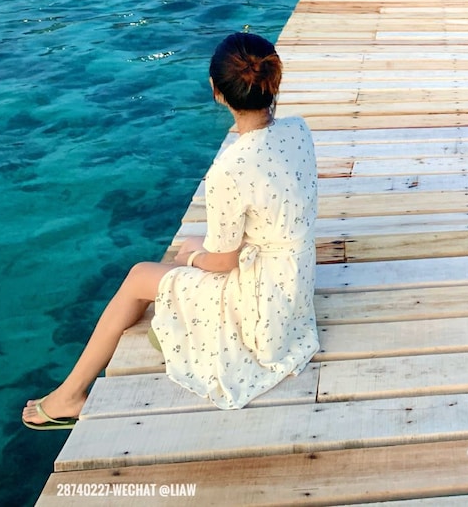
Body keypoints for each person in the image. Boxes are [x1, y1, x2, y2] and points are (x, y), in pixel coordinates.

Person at [22, 32, 320, 429]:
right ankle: (169, 326)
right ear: (274, 81)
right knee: (190, 252)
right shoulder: (297, 130)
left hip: (261, 305)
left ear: (217, 92)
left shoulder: (230, 169)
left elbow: (224, 262)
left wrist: (193, 255)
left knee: (138, 277)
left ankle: (69, 395)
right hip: (293, 286)